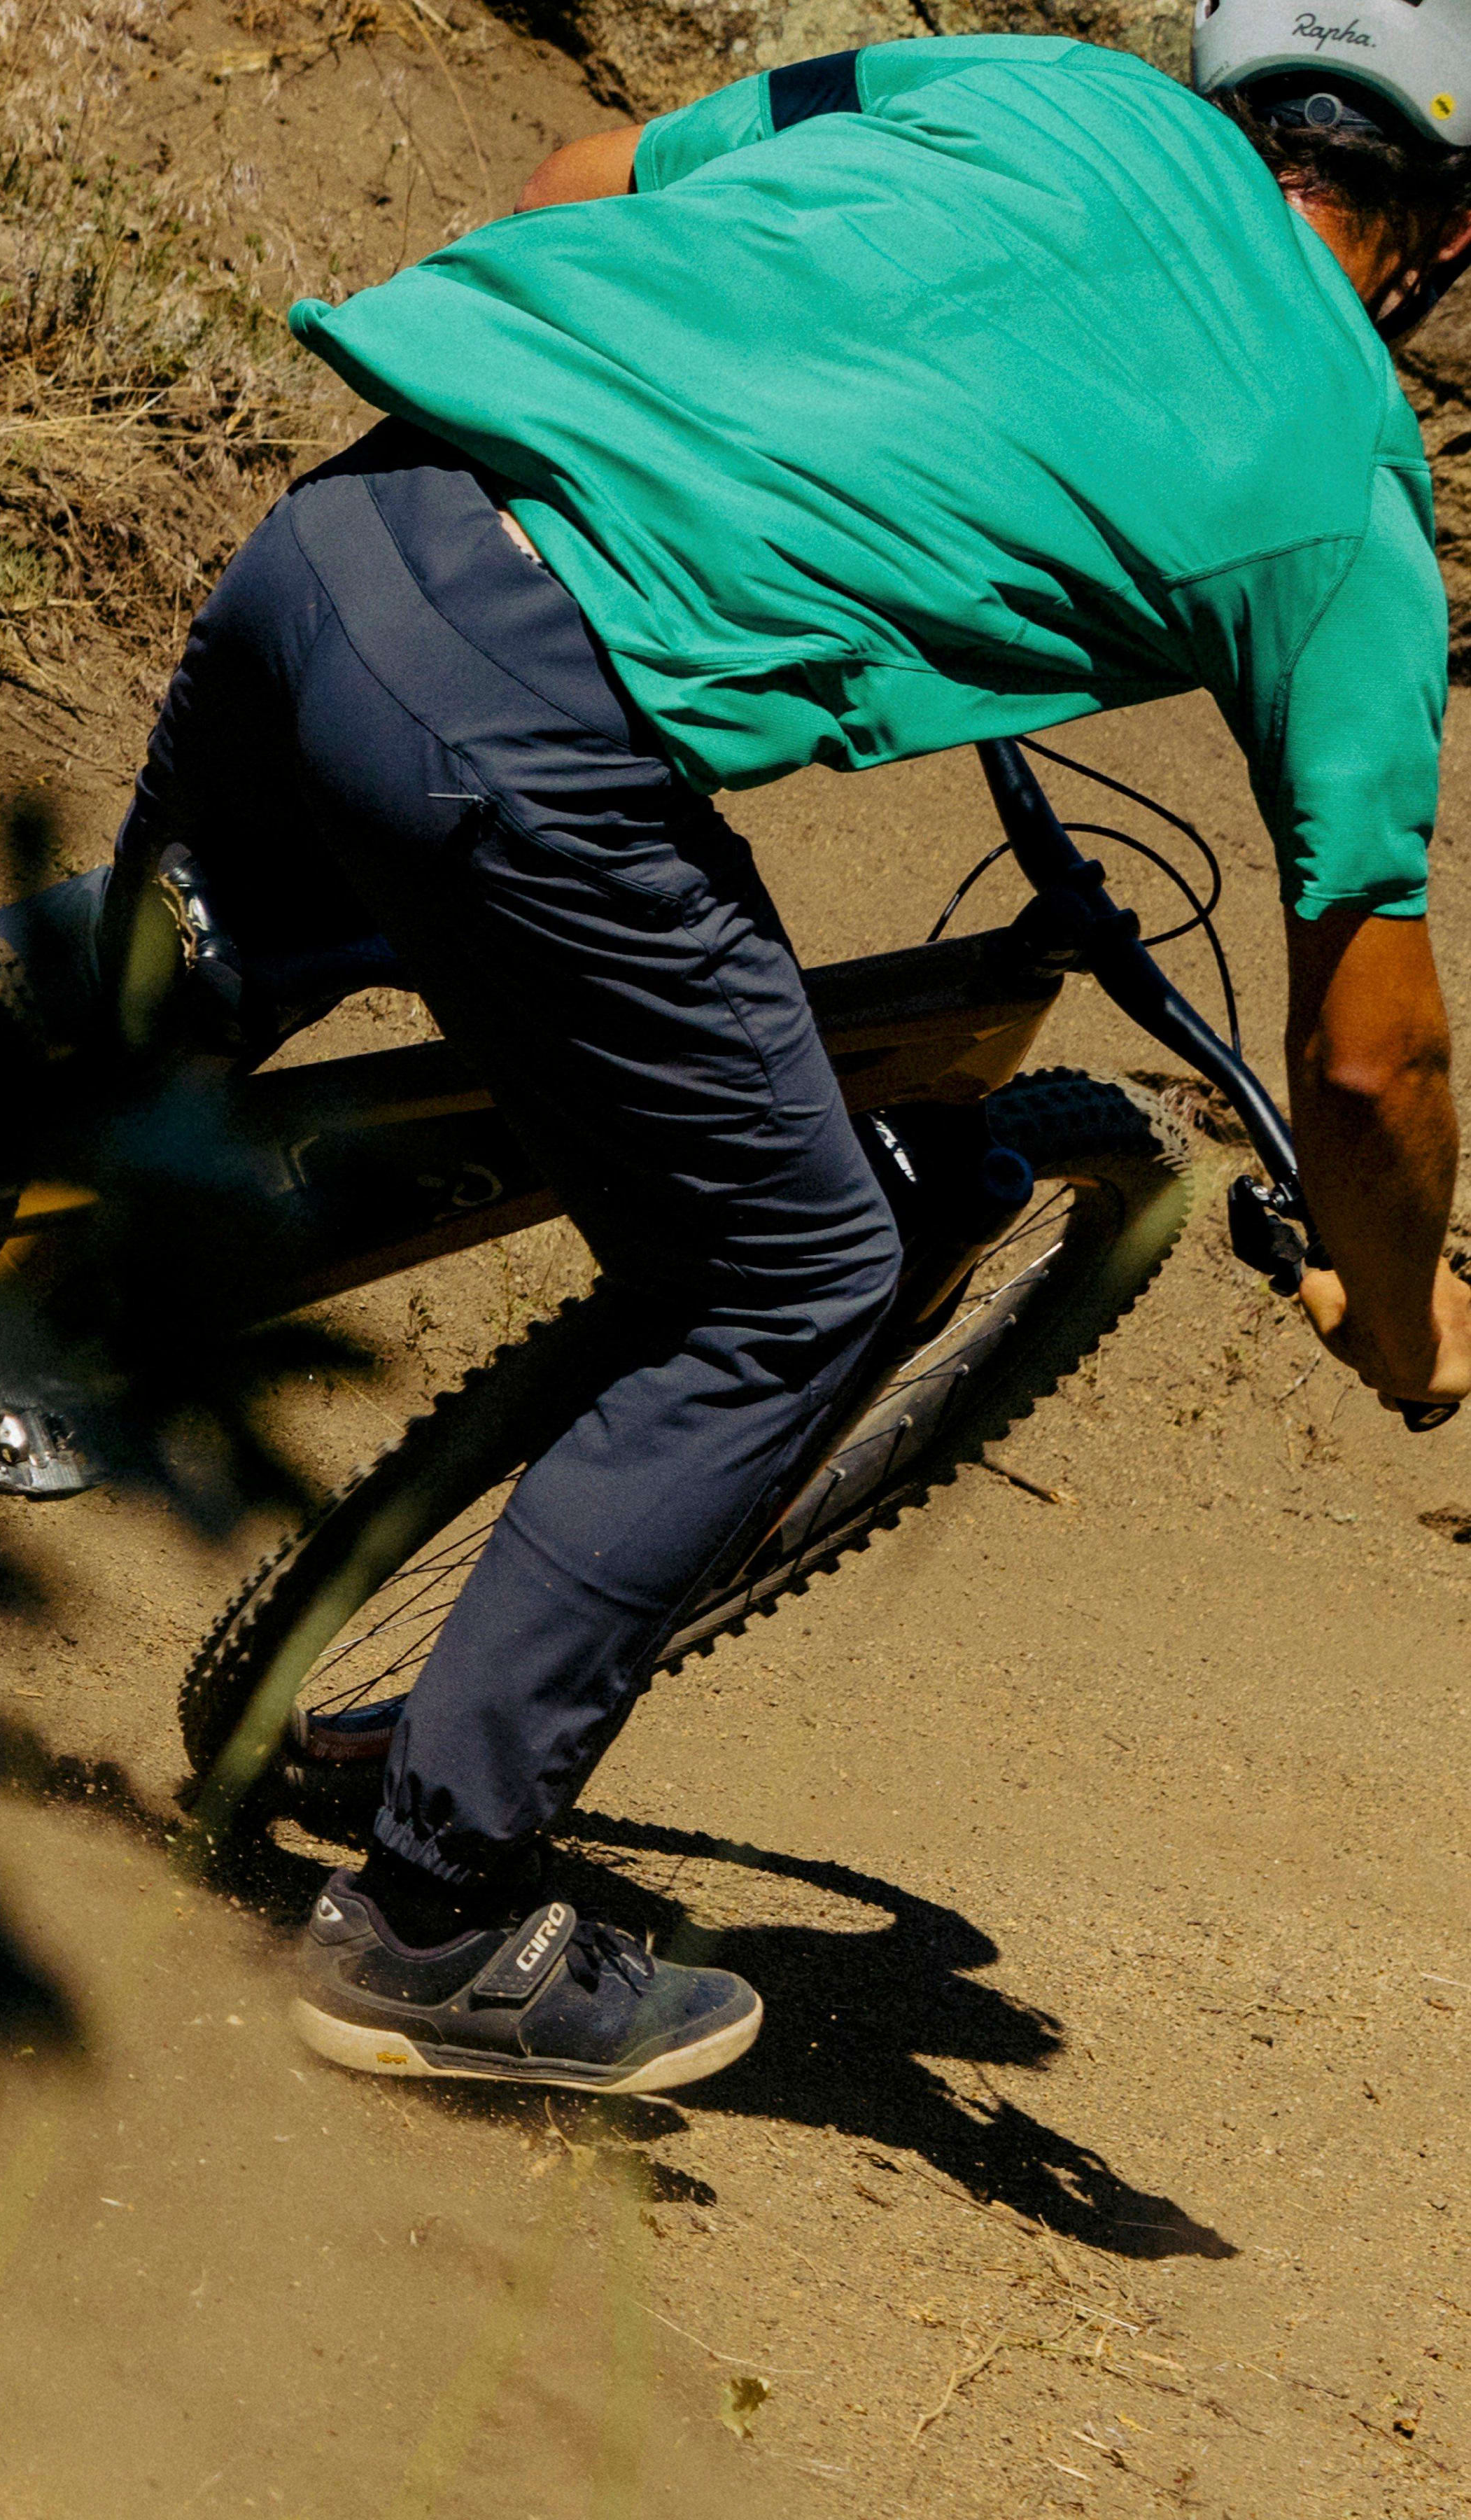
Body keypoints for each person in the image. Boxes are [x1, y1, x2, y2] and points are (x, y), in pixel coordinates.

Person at [104, 9, 1471, 2092]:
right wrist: (1401, 1317)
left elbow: (587, 171)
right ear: (1444, 245)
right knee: (790, 1275)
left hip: (360, 525)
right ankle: (427, 1923)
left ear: (1216, 96)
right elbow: (1373, 1070)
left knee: (133, 1017)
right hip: (527, 708)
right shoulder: (1351, 498)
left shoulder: (1044, 90)